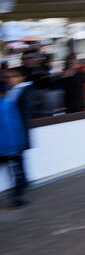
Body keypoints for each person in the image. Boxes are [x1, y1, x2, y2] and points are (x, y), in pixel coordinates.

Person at [0, 67, 35, 208]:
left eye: (12, 76)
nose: (10, 80)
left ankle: (20, 192)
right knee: (17, 172)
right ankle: (19, 194)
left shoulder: (9, 102)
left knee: (16, 171)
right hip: (10, 147)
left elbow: (10, 125)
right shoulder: (7, 103)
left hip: (8, 146)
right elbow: (10, 126)